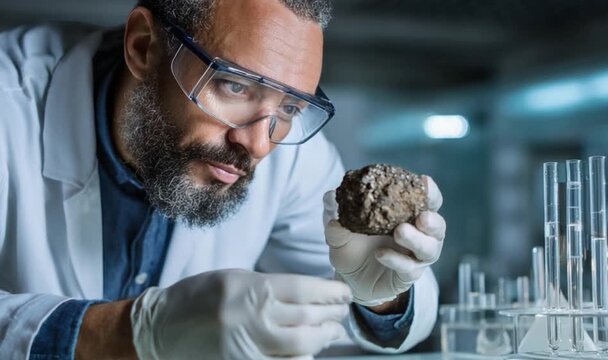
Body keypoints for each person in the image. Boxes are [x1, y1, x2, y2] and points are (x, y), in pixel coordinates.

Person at [0, 0, 446, 358]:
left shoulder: (287, 152)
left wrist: (379, 298)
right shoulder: (9, 102)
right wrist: (135, 334)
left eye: (290, 107)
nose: (258, 145)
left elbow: (398, 320)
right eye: (234, 86)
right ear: (143, 46)